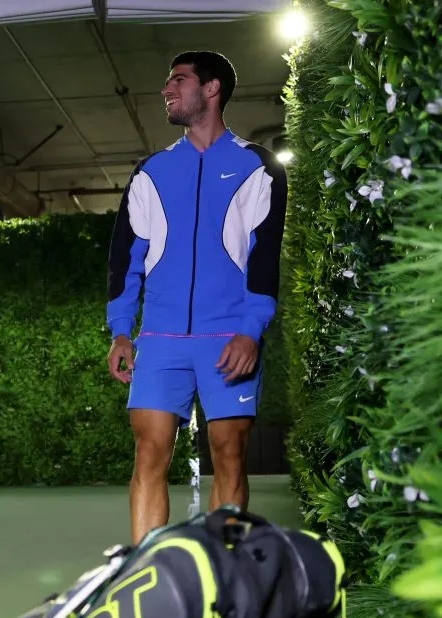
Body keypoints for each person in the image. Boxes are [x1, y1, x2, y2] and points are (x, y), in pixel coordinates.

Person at [105, 51, 287, 545]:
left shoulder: (258, 167)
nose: (167, 89)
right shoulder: (151, 171)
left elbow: (264, 259)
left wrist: (250, 332)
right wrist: (121, 331)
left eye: (179, 80)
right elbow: (125, 259)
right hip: (160, 341)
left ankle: (223, 569)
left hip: (228, 338)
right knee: (149, 455)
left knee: (229, 456)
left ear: (211, 89)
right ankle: (148, 570)